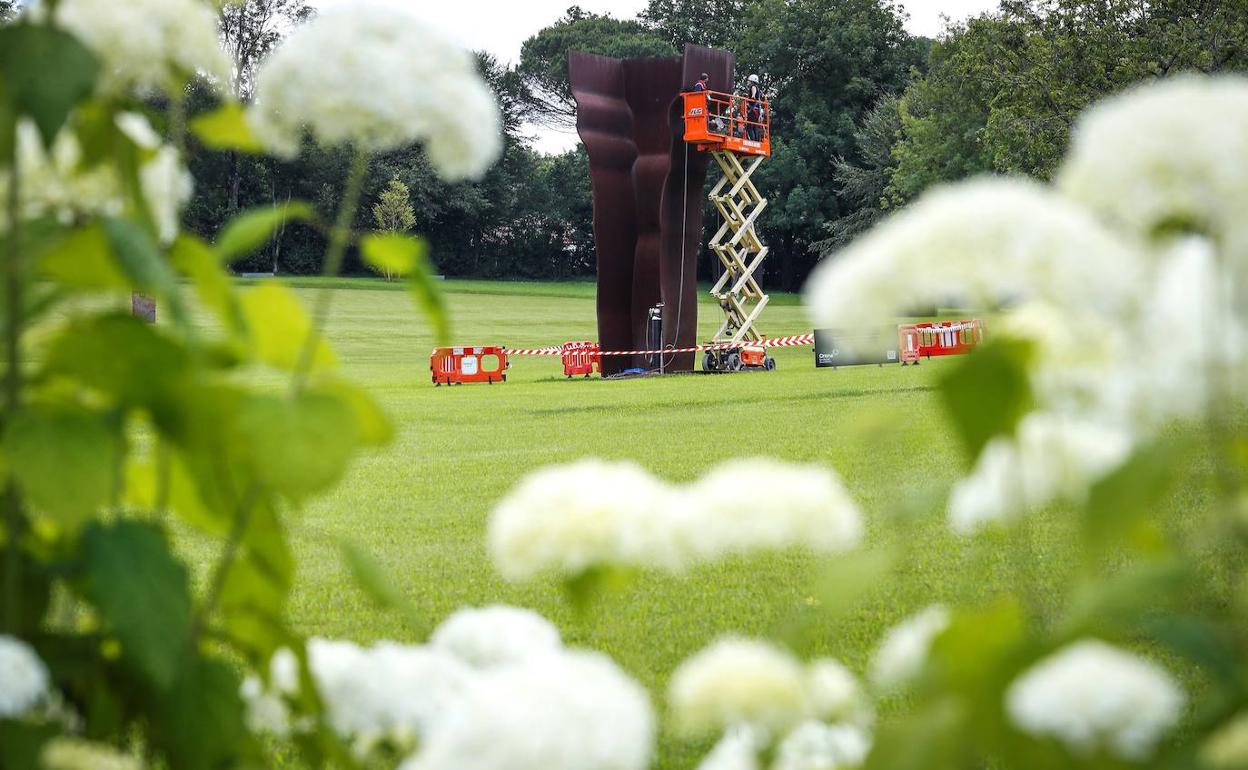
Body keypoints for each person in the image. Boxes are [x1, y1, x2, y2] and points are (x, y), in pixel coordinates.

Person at [745, 74, 764, 141]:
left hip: (753, 110)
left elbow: (754, 90)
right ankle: (756, 140)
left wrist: (752, 96)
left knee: (750, 126)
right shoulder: (757, 88)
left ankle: (753, 140)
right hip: (757, 110)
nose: (748, 82)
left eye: (749, 81)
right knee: (755, 126)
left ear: (751, 81)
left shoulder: (753, 87)